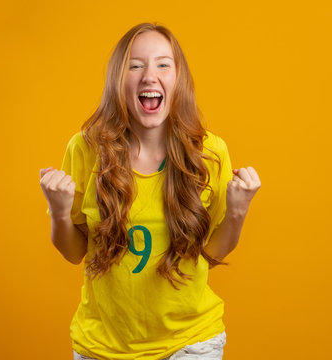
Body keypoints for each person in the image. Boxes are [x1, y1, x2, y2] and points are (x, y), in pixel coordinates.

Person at [39, 22, 261, 360]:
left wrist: (237, 211)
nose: (149, 76)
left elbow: (211, 255)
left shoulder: (210, 153)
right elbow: (74, 253)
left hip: (191, 340)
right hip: (102, 345)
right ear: (118, 79)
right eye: (136, 65)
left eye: (163, 64)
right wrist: (58, 211)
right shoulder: (84, 150)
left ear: (178, 80)